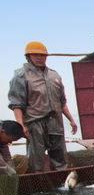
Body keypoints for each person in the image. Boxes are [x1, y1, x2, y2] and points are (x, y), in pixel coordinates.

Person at [8, 41, 78, 173]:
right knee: (36, 160)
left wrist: (71, 120)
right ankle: (39, 184)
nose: (40, 58)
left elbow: (61, 102)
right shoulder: (21, 76)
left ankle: (62, 181)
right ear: (28, 56)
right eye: (36, 55)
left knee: (60, 157)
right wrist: (21, 125)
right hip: (35, 123)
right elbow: (17, 104)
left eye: (43, 55)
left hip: (55, 122)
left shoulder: (54, 75)